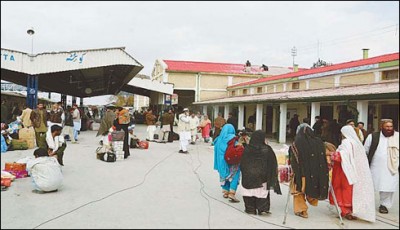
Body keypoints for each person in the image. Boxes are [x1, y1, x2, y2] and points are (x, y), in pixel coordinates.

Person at [329, 125, 375, 221]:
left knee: (341, 189)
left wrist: (332, 155)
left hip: (344, 170)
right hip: (354, 171)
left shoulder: (346, 142)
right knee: (350, 190)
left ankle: (344, 211)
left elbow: (343, 156)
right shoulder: (357, 143)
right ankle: (350, 210)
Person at [288, 125, 329, 218]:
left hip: (301, 173)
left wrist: (293, 171)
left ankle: (301, 210)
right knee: (311, 188)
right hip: (316, 173)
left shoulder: (296, 143)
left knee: (298, 189)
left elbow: (294, 159)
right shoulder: (319, 142)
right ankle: (311, 199)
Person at [240, 130, 282, 215]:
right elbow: (273, 162)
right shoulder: (267, 149)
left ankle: (250, 209)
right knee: (261, 192)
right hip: (262, 176)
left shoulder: (247, 148)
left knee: (249, 192)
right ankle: (262, 209)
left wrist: (244, 171)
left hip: (249, 175)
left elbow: (242, 162)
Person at [364, 119, 399, 214]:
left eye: (391, 127)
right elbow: (365, 150)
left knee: (388, 186)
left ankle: (384, 205)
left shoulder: (397, 136)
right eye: (387, 126)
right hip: (375, 167)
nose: (389, 129)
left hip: (392, 167)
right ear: (381, 127)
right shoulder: (373, 136)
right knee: (371, 185)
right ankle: (367, 204)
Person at [213, 124, 241, 202]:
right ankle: (232, 193)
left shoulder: (218, 140)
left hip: (221, 162)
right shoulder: (233, 138)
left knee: (224, 175)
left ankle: (225, 192)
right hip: (232, 162)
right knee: (234, 175)